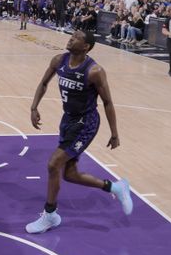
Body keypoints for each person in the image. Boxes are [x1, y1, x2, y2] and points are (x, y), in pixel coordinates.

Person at [26, 30, 133, 234]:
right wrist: (34, 107)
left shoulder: (94, 71)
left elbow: (108, 102)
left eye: (76, 37)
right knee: (69, 174)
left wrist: (114, 133)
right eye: (71, 35)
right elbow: (43, 83)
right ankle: (116, 187)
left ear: (86, 46)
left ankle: (50, 215)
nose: (71, 38)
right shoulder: (59, 60)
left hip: (86, 123)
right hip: (68, 121)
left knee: (53, 164)